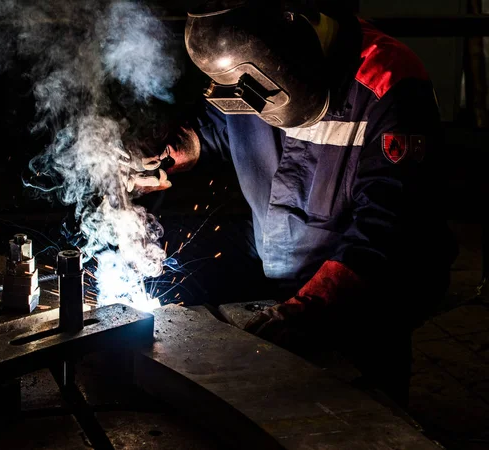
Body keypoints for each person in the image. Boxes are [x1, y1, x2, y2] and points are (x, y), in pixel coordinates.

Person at [132, 0, 458, 408]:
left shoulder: (387, 80)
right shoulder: (247, 62)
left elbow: (389, 225)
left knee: (361, 409)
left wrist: (311, 307)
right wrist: (181, 148)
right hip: (280, 266)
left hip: (368, 292)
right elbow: (223, 123)